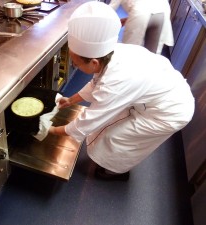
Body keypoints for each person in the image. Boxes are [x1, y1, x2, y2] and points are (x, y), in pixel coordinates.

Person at [48, 1, 194, 181]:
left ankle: (116, 172)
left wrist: (52, 131)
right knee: (112, 122)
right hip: (158, 94)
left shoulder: (115, 82)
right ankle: (112, 162)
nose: (73, 66)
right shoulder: (111, 55)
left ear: (93, 62)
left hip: (170, 111)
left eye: (75, 64)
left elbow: (88, 121)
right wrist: (70, 100)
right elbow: (96, 84)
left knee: (117, 138)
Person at [108, 0, 174, 54]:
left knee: (129, 52)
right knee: (152, 56)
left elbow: (109, 10)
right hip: (162, 12)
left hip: (140, 11)